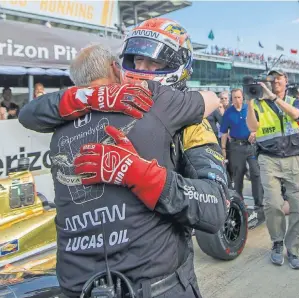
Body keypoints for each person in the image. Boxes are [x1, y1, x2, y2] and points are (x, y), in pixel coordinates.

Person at [18, 18, 228, 298]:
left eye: (153, 62)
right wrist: (89, 97)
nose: (141, 69)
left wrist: (144, 176)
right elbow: (30, 112)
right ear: (119, 64)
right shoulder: (74, 109)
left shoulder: (190, 122)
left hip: (155, 285)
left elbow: (215, 207)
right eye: (136, 59)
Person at [246, 69, 299, 270]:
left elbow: (297, 115)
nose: (275, 81)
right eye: (272, 78)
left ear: (286, 81)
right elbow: (252, 127)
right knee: (272, 204)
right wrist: (249, 101)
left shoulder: (294, 100)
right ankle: (278, 242)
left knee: (298, 207)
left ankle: (294, 249)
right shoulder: (258, 104)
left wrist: (274, 99)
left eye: (279, 78)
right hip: (268, 158)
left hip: (293, 159)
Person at [220, 88, 263, 208]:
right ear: (231, 98)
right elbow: (223, 132)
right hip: (236, 147)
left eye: (239, 97)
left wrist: (254, 133)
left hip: (250, 146)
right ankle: (240, 204)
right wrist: (223, 149)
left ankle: (259, 203)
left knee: (255, 173)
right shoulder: (228, 112)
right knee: (238, 176)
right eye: (234, 97)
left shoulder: (249, 109)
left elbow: (259, 126)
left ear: (242, 97)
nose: (237, 100)